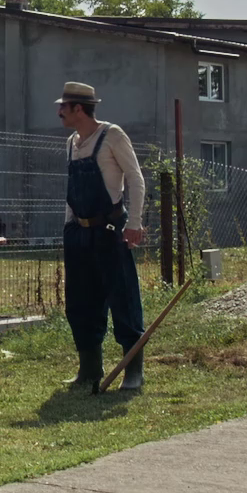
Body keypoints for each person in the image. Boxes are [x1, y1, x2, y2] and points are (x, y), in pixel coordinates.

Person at [56, 83, 147, 393]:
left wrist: (133, 223)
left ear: (79, 109)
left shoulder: (112, 135)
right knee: (80, 303)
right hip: (78, 234)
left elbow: (135, 178)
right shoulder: (71, 143)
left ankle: (133, 371)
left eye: (64, 107)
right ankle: (90, 369)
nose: (60, 112)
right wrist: (69, 227)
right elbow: (71, 192)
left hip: (109, 231)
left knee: (123, 300)